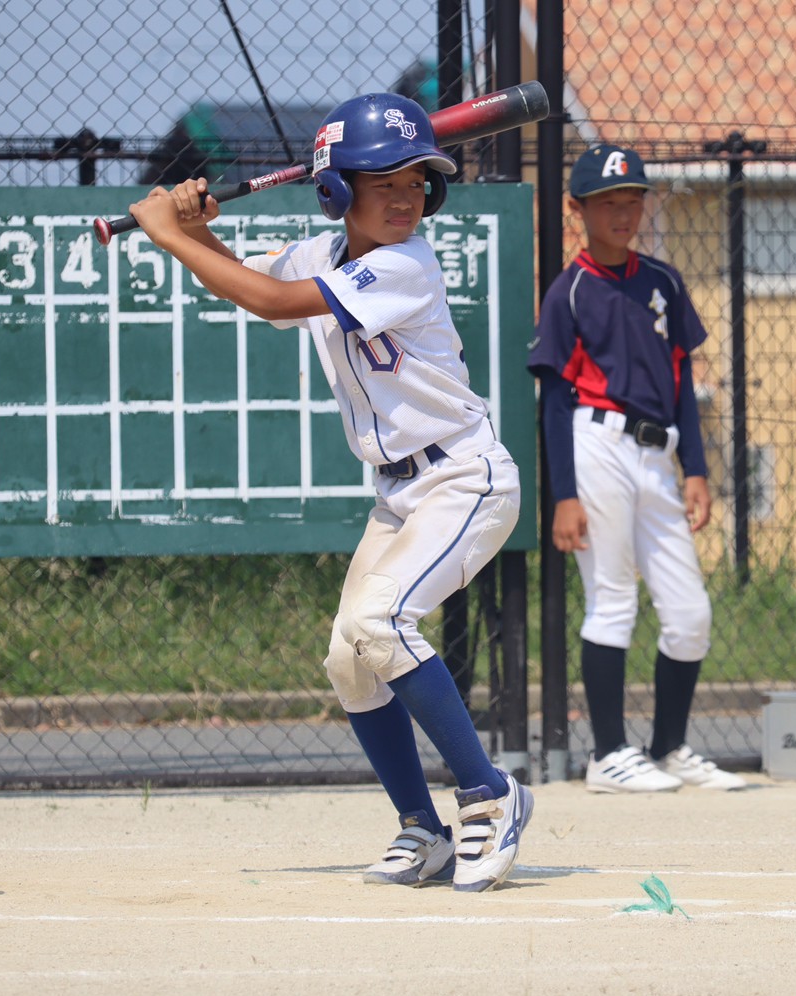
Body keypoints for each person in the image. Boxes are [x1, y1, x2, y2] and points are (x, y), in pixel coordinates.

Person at [128, 92, 534, 889]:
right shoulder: (322, 255)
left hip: (464, 478)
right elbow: (246, 281)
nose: (406, 197)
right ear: (336, 188)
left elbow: (272, 301)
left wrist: (171, 236)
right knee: (351, 658)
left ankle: (490, 796)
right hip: (399, 494)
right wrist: (191, 221)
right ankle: (424, 830)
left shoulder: (407, 263)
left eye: (418, 181)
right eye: (382, 181)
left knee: (381, 624)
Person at [526, 144, 744, 793]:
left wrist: (696, 467)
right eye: (608, 202)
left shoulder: (664, 281)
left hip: (659, 454)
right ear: (579, 209)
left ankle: (669, 746)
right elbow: (555, 401)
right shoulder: (570, 292)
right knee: (613, 599)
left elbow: (681, 379)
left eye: (633, 200)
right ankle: (609, 755)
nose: (624, 213)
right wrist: (562, 495)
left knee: (690, 612)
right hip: (598, 447)